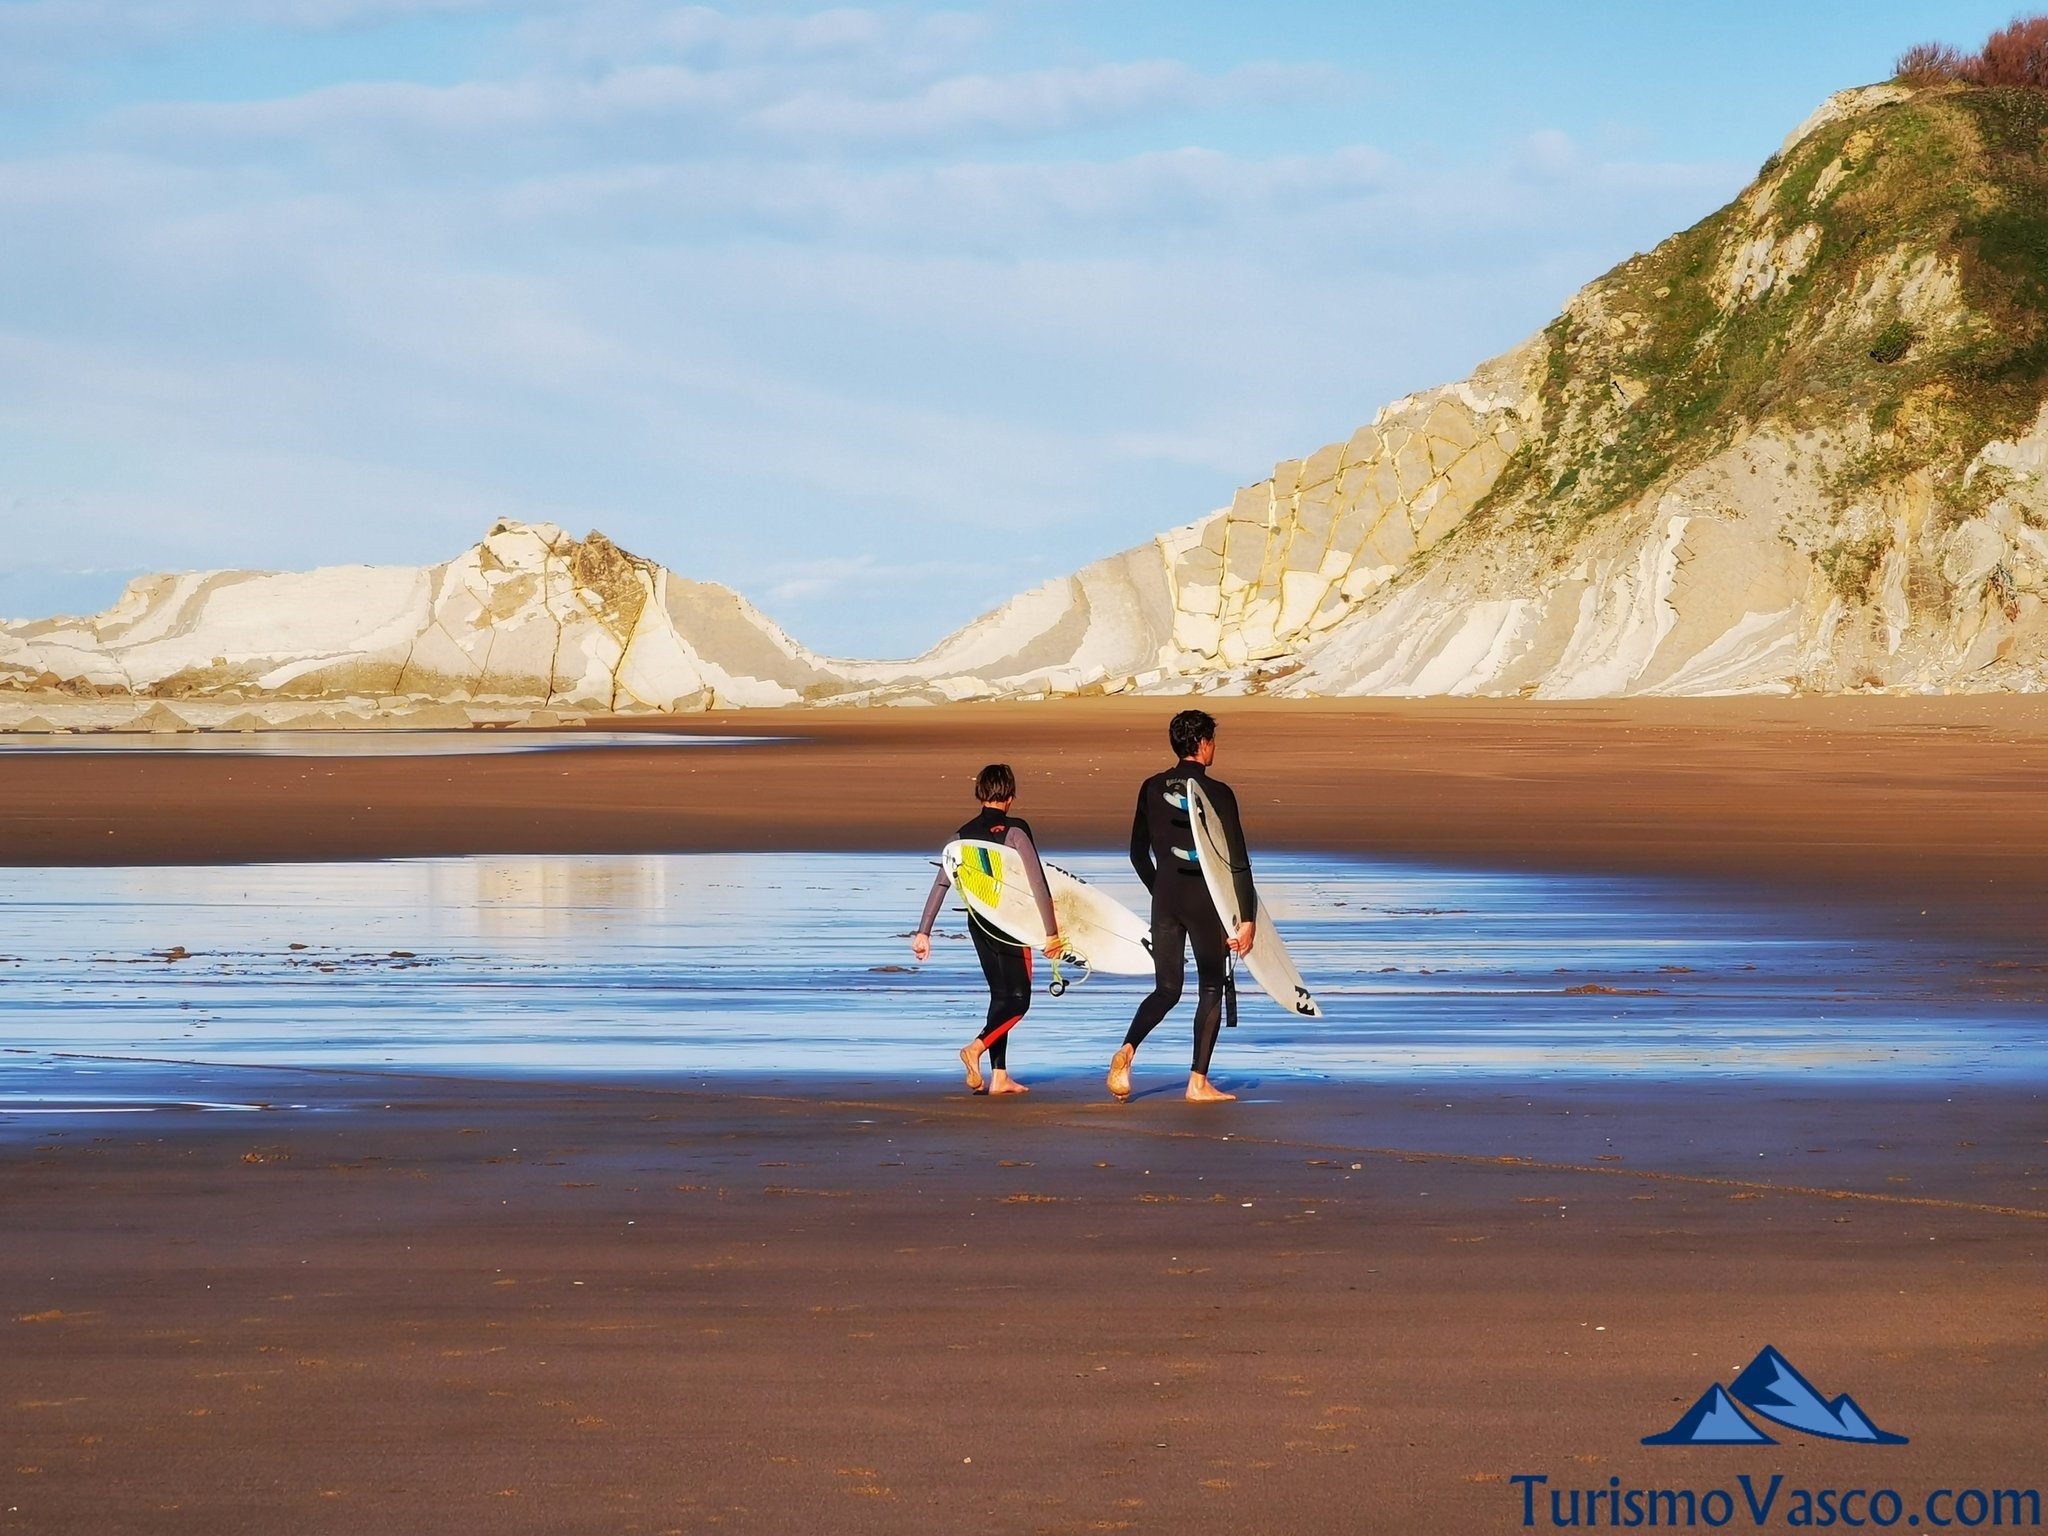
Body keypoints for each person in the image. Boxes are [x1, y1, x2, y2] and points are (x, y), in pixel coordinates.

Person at [1106, 709, 1255, 1104]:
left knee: (1166, 989)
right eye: (1212, 742)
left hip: (1166, 900)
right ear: (1204, 744)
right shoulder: (1219, 792)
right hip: (1205, 901)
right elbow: (1237, 861)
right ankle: (1198, 1083)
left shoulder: (1150, 787)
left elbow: (1138, 854)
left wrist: (1161, 893)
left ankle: (1127, 1049)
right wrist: (1248, 919)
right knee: (1211, 986)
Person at [911, 763, 1063, 1096]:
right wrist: (1051, 933)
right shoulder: (1015, 831)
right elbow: (1037, 882)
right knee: (1019, 1002)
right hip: (1010, 925)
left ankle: (999, 1076)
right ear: (1010, 797)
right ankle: (975, 1048)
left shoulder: (959, 836)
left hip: (979, 925)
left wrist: (923, 932)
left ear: (980, 793)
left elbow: (941, 883)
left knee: (1000, 996)